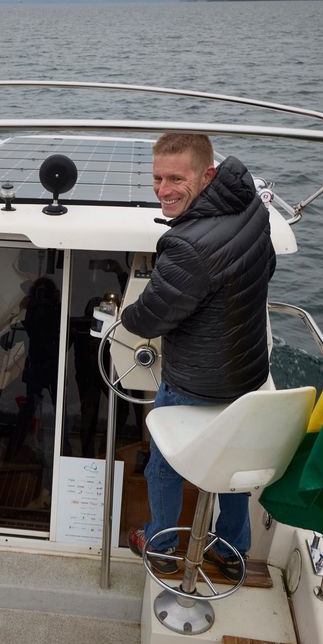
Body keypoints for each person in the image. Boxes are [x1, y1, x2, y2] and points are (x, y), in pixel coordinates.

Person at [120, 133, 274, 580]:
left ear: (207, 176)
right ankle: (231, 549)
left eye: (175, 178)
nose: (163, 190)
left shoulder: (187, 245)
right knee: (231, 466)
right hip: (246, 373)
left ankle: (163, 543)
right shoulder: (251, 208)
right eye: (157, 178)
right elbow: (265, 268)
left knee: (163, 463)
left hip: (197, 383)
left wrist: (123, 313)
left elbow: (147, 319)